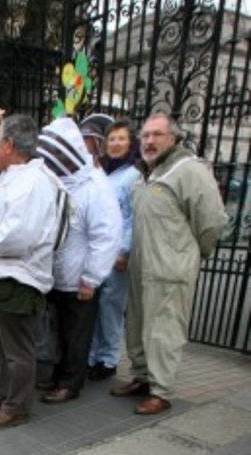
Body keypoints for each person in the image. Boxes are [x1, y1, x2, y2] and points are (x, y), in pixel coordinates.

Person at [111, 112, 227, 414]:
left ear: (174, 138)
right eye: (145, 135)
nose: (149, 141)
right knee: (136, 324)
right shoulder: (142, 174)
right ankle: (141, 377)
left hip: (170, 269)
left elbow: (212, 222)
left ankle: (161, 391)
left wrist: (189, 255)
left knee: (164, 331)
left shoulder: (190, 171)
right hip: (141, 266)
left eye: (157, 135)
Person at [0, 113, 69, 429]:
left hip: (18, 276)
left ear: (9, 145)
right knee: (6, 345)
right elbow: (12, 224)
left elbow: (19, 235)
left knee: (18, 349)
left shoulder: (32, 181)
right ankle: (7, 393)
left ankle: (17, 405)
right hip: (6, 274)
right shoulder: (18, 177)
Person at [35, 116, 122, 404]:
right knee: (60, 332)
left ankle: (71, 384)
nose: (55, 158)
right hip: (58, 277)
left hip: (80, 280)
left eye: (60, 152)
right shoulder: (64, 182)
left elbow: (106, 235)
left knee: (77, 336)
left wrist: (91, 278)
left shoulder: (95, 186)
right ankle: (60, 376)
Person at [87, 119, 140, 380]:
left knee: (111, 307)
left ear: (131, 143)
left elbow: (131, 217)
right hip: (99, 251)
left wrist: (124, 250)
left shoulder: (132, 175)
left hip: (116, 254)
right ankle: (93, 355)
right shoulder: (105, 173)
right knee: (97, 305)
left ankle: (107, 359)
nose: (115, 144)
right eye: (111, 139)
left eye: (121, 139)